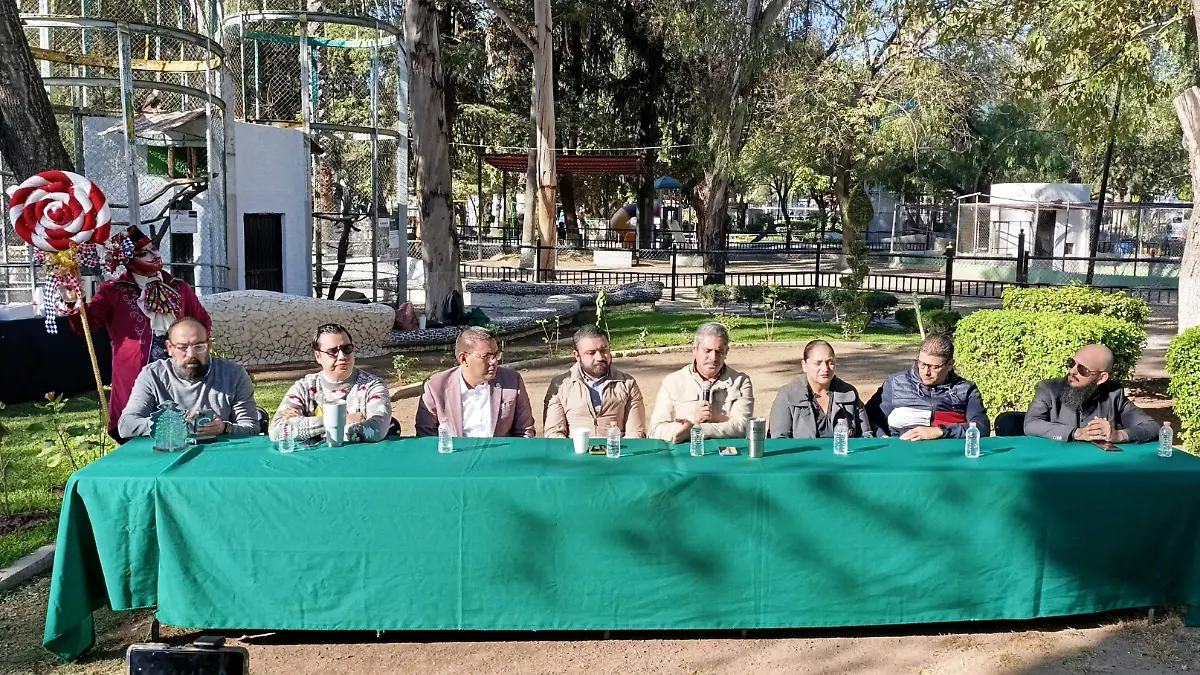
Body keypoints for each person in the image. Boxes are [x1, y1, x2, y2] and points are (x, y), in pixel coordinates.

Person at [64, 226, 210, 436]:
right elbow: (84, 325)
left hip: (180, 369)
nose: (154, 256)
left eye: (154, 249)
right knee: (136, 428)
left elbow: (202, 320)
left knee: (185, 427)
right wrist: (72, 299)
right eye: (144, 253)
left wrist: (198, 349)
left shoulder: (178, 287)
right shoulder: (113, 291)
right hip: (134, 376)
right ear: (127, 260)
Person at [118, 317, 258, 439]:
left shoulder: (234, 375)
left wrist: (225, 428)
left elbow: (251, 428)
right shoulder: (153, 375)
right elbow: (126, 426)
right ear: (169, 348)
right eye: (182, 347)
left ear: (208, 345)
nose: (191, 354)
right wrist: (165, 424)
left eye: (199, 346)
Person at [270, 323, 394, 444]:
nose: (342, 356)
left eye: (347, 349)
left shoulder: (373, 386)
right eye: (332, 351)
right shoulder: (304, 388)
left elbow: (376, 430)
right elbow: (277, 431)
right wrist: (344, 420)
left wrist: (305, 426)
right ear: (318, 356)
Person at [1024, 343, 1160, 443]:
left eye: (1083, 370)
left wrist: (1119, 435)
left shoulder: (1113, 395)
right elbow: (1031, 424)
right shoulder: (1049, 389)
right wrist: (1077, 433)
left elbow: (1152, 427)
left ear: (1101, 378)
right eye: (1072, 363)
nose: (1072, 371)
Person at [415, 326, 536, 438]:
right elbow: (426, 437)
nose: (494, 361)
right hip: (454, 457)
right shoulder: (435, 387)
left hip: (500, 457)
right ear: (463, 358)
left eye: (496, 355)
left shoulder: (512, 381)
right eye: (486, 356)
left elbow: (525, 432)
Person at [866, 333, 990, 440]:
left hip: (950, 453)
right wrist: (882, 438)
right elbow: (869, 419)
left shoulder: (965, 389)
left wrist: (940, 431)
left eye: (934, 367)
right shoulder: (895, 384)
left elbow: (981, 427)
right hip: (902, 450)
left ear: (950, 365)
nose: (926, 372)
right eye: (922, 363)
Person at [648, 322, 754, 443]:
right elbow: (655, 430)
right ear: (694, 349)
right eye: (707, 350)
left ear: (726, 352)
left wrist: (698, 429)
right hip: (685, 455)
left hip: (727, 456)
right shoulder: (672, 382)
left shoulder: (740, 382)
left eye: (719, 351)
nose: (714, 357)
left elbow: (743, 427)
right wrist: (688, 423)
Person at [543, 324, 646, 439]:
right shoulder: (560, 386)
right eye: (591, 353)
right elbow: (553, 433)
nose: (600, 357)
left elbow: (636, 432)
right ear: (577, 355)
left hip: (617, 453)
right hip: (575, 453)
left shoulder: (627, 384)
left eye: (604, 350)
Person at [768, 340, 871, 439]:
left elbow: (866, 435)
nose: (825, 369)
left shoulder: (849, 393)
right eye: (818, 363)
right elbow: (779, 440)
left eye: (830, 362)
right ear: (804, 365)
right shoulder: (787, 395)